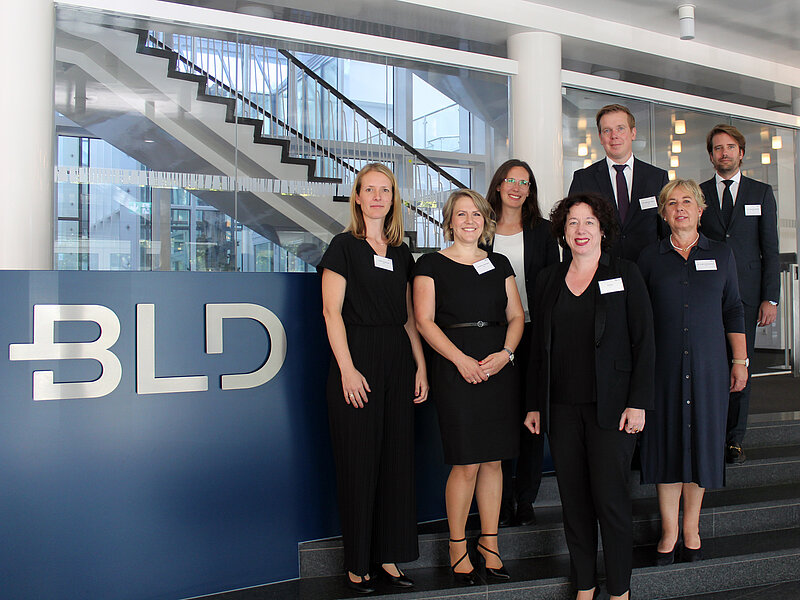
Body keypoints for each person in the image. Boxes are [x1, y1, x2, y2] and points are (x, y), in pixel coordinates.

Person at [524, 193, 655, 600]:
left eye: (589, 222)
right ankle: (585, 584)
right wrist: (534, 403)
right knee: (574, 503)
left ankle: (619, 589)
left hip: (613, 409)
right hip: (561, 410)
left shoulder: (626, 273)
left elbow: (644, 342)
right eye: (573, 223)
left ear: (603, 230)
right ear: (563, 231)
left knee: (611, 501)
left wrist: (638, 402)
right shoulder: (548, 279)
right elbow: (537, 349)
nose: (581, 230)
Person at [318, 163, 429, 594]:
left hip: (397, 359)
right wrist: (347, 369)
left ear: (393, 198)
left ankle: (388, 557)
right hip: (358, 357)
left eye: (386, 190)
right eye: (371, 190)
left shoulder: (402, 253)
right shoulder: (343, 247)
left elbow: (409, 317)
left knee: (396, 462)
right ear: (358, 197)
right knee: (359, 463)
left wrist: (420, 366)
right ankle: (357, 563)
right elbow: (331, 313)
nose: (378, 197)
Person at [413, 189, 524, 585]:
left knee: (494, 460)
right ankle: (457, 546)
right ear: (449, 221)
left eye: (476, 214)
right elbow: (424, 321)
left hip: (498, 367)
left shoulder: (499, 262)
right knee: (466, 462)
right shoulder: (430, 264)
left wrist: (506, 354)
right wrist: (460, 360)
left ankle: (490, 545)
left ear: (486, 221)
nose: (469, 221)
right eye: (461, 214)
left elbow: (516, 316)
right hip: (454, 368)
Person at [638, 179, 747, 566]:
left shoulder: (722, 253)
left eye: (687, 201)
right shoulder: (649, 258)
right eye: (672, 203)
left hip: (708, 367)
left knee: (702, 443)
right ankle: (669, 531)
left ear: (701, 210)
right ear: (663, 213)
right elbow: (640, 318)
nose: (680, 208)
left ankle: (691, 528)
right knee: (666, 445)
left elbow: (733, 307)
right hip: (663, 369)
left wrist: (740, 360)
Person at [484, 159, 560, 527]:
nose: (517, 187)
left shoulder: (542, 232)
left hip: (533, 333)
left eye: (524, 182)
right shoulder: (481, 229)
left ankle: (525, 498)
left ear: (530, 191)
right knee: (499, 417)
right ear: (498, 185)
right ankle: (498, 500)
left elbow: (553, 284)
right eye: (510, 180)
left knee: (532, 416)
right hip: (491, 334)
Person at [699, 124, 780, 464]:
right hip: (706, 295)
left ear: (741, 153)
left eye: (730, 147)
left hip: (746, 296)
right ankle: (711, 432)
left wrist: (770, 298)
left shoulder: (761, 193)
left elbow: (770, 249)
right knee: (709, 365)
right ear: (711, 155)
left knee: (740, 364)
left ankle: (734, 439)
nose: (724, 153)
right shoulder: (699, 193)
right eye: (718, 148)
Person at [568, 104, 669, 262]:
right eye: (607, 130)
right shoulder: (584, 179)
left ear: (633, 133)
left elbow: (667, 232)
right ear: (600, 137)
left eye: (620, 128)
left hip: (646, 269)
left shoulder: (657, 177)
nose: (614, 136)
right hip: (600, 269)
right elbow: (572, 230)